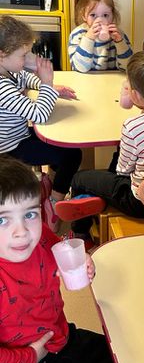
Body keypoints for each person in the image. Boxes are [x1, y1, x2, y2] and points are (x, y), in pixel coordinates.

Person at [0, 157, 118, 363]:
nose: (21, 232)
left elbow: (55, 246)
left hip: (59, 337)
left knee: (125, 361)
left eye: (29, 215)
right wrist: (30, 357)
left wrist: (80, 261)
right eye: (2, 219)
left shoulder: (37, 239)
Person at [55, 52, 144, 239]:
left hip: (142, 203)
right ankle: (99, 197)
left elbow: (123, 171)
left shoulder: (132, 127)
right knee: (123, 154)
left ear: (135, 95)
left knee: (80, 178)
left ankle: (81, 233)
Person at [0, 15, 81, 230]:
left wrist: (49, 88)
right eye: (24, 54)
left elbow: (26, 79)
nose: (27, 59)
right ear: (2, 54)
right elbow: (40, 115)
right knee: (73, 154)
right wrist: (47, 83)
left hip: (19, 136)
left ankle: (52, 187)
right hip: (11, 149)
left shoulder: (9, 70)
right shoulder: (2, 88)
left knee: (63, 144)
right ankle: (54, 204)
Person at [68, 0, 132, 72]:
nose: (100, 20)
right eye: (93, 15)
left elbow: (128, 67)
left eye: (105, 15)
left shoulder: (118, 34)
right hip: (86, 81)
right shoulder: (78, 35)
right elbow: (80, 68)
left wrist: (120, 43)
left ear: (112, 15)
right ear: (84, 15)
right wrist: (88, 39)